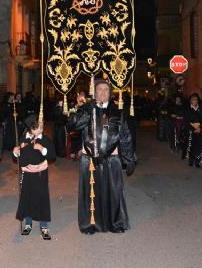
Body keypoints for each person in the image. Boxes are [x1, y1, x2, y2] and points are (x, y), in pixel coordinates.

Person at [67, 81, 135, 234]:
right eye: (99, 90)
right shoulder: (86, 109)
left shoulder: (117, 112)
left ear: (110, 93)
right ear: (94, 93)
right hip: (89, 159)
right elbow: (72, 125)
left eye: (106, 90)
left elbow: (125, 136)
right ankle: (90, 224)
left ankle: (116, 223)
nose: (103, 93)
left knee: (114, 191)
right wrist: (84, 109)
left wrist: (129, 158)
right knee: (91, 192)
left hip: (112, 158)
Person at [14, 115, 56, 240]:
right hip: (27, 173)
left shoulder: (45, 139)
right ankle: (28, 223)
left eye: (42, 126)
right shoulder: (24, 139)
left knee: (41, 197)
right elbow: (17, 157)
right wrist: (16, 151)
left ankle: (43, 225)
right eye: (39, 127)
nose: (41, 129)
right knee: (27, 197)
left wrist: (43, 149)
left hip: (40, 173)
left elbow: (53, 156)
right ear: (31, 128)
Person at [184, 93, 202, 168]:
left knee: (198, 147)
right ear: (190, 101)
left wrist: (200, 128)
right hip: (191, 131)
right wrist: (193, 129)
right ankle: (191, 160)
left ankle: (197, 162)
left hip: (199, 131)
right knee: (191, 146)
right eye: (193, 99)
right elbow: (186, 121)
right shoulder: (187, 110)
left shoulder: (201, 109)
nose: (194, 101)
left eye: (196, 99)